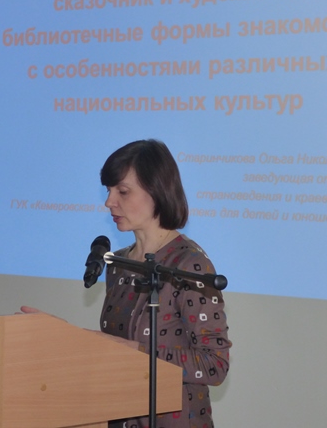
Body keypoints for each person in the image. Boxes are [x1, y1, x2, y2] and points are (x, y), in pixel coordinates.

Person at [99, 139, 231, 428]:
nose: (109, 201)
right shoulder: (119, 263)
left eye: (122, 191)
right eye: (108, 190)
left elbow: (215, 365)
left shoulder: (189, 266)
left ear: (156, 191)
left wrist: (137, 351)